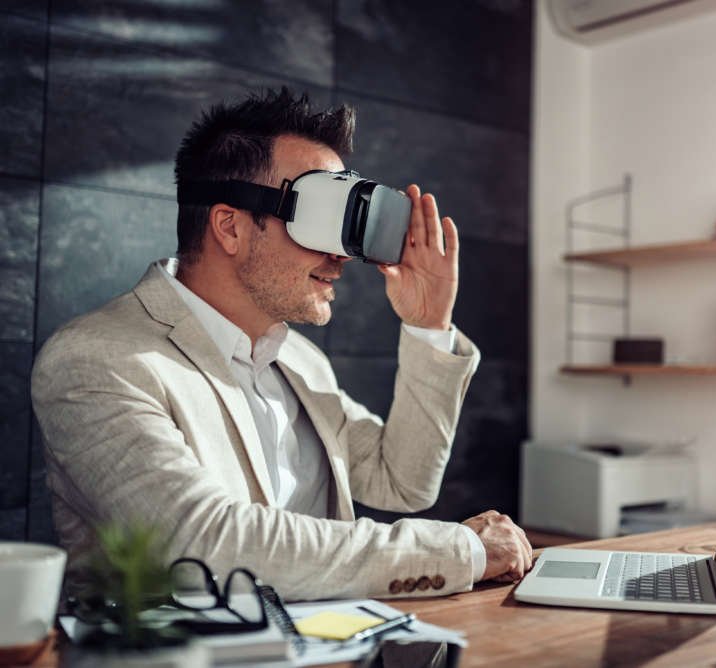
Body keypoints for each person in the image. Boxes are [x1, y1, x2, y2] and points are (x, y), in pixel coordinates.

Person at [31, 88, 532, 601]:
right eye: (318, 220)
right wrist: (458, 550)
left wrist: (429, 323)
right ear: (230, 226)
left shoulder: (298, 360)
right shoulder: (96, 360)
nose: (342, 259)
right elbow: (202, 545)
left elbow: (401, 481)